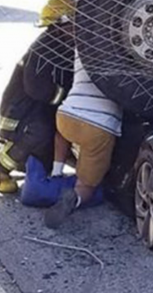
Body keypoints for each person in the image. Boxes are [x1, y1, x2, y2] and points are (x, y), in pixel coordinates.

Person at [0, 6, 75, 193]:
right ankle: (0, 169)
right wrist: (66, 96)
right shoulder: (45, 49)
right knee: (39, 133)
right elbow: (37, 88)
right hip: (21, 111)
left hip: (36, 108)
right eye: (73, 24)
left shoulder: (62, 44)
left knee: (39, 161)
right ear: (60, 25)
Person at [44, 51, 122, 229]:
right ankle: (75, 197)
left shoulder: (84, 46)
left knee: (63, 133)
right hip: (99, 125)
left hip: (67, 113)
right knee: (88, 184)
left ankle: (56, 172)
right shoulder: (124, 56)